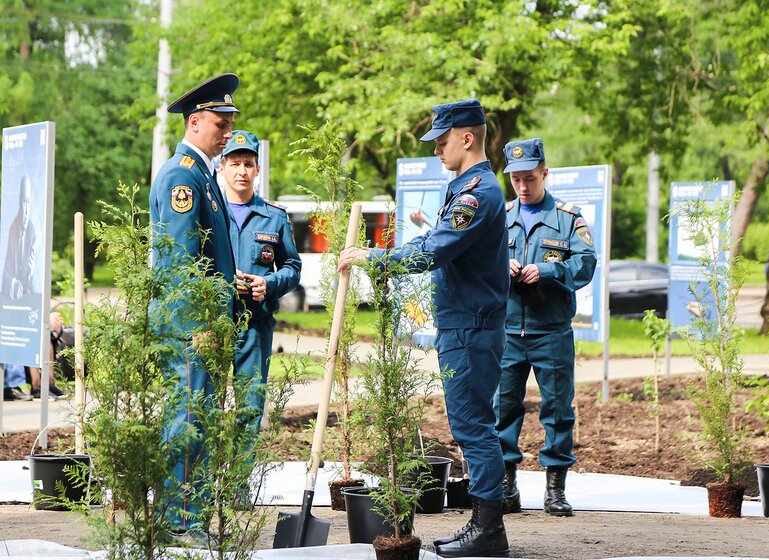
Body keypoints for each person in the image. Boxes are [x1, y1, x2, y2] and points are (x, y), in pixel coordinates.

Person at [338, 98, 510, 558]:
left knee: (474, 426)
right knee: (471, 423)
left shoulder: (478, 193)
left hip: (471, 327)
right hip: (465, 324)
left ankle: (490, 532)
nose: (437, 148)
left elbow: (432, 252)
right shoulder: (467, 189)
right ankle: (483, 524)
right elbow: (434, 241)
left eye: (442, 139)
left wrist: (375, 258)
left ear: (467, 138)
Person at [149, 73, 239, 535]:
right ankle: (178, 521)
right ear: (195, 121)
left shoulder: (202, 172)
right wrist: (200, 321)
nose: (227, 132)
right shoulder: (183, 175)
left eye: (228, 124)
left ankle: (191, 515)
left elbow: (208, 252)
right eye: (220, 124)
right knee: (187, 420)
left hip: (205, 323)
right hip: (191, 326)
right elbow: (181, 261)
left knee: (198, 418)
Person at [494, 138, 596, 517]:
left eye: (530, 178)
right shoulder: (500, 217)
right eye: (516, 179)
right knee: (503, 408)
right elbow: (477, 262)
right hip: (507, 332)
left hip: (551, 330)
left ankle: (555, 489)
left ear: (545, 174)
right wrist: (498, 267)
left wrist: (550, 270)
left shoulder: (568, 218)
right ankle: (507, 486)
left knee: (556, 410)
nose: (523, 186)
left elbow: (585, 264)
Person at [219, 130, 301, 447]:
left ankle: (240, 484)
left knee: (250, 406)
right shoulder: (209, 213)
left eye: (248, 164)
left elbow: (292, 268)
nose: (242, 171)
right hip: (213, 321)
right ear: (222, 167)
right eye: (235, 163)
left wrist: (269, 284)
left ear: (257, 170)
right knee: (203, 404)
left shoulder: (274, 217)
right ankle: (205, 484)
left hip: (255, 325)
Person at [1, 175, 36, 301]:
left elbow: (34, 281)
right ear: (18, 202)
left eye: (29, 203)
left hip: (28, 302)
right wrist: (12, 283)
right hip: (10, 304)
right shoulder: (11, 230)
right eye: (24, 201)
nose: (27, 211)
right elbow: (4, 273)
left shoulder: (32, 231)